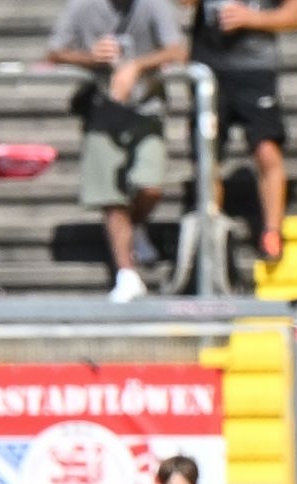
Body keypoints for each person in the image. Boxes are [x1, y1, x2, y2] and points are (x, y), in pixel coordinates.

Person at [47, 0, 187, 303]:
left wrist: (136, 66)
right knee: (111, 197)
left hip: (147, 109)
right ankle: (127, 273)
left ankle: (134, 227)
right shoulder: (82, 7)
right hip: (102, 110)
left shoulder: (154, 5)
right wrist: (90, 58)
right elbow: (54, 51)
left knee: (150, 187)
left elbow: (177, 51)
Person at [183, 0, 297, 264]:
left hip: (255, 69)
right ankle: (210, 237)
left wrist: (251, 18)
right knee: (207, 155)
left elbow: (296, 16)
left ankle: (272, 231)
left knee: (266, 148)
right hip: (210, 67)